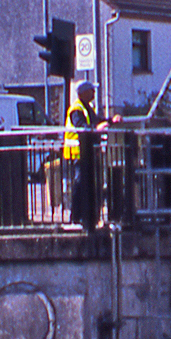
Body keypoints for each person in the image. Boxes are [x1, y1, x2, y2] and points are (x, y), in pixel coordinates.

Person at [62, 81, 108, 230]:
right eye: (91, 90)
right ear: (82, 93)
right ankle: (76, 217)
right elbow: (81, 126)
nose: (94, 93)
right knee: (80, 183)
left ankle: (90, 216)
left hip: (88, 153)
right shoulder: (76, 109)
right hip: (77, 153)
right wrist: (96, 128)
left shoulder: (88, 108)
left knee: (90, 183)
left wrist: (110, 121)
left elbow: (97, 121)